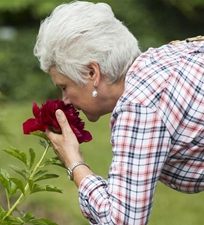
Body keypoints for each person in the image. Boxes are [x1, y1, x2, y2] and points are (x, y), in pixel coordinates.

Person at [33, 1, 204, 224]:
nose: (65, 100)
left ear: (92, 72)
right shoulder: (166, 57)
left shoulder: (139, 107)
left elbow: (122, 220)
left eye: (65, 87)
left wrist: (74, 161)